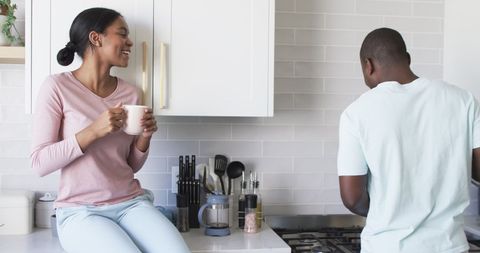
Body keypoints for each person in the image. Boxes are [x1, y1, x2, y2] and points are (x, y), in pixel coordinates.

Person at [30, 7, 191, 253]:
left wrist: (144, 138)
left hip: (131, 204)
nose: (130, 42)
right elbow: (40, 163)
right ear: (96, 38)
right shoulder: (57, 87)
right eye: (122, 34)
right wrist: (94, 130)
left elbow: (130, 165)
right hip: (80, 210)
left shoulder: (131, 93)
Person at [337, 27, 480, 253]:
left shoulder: (356, 113)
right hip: (450, 246)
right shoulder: (463, 101)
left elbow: (352, 198)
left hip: (387, 247)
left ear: (368, 65)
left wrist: (392, 209)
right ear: (408, 59)